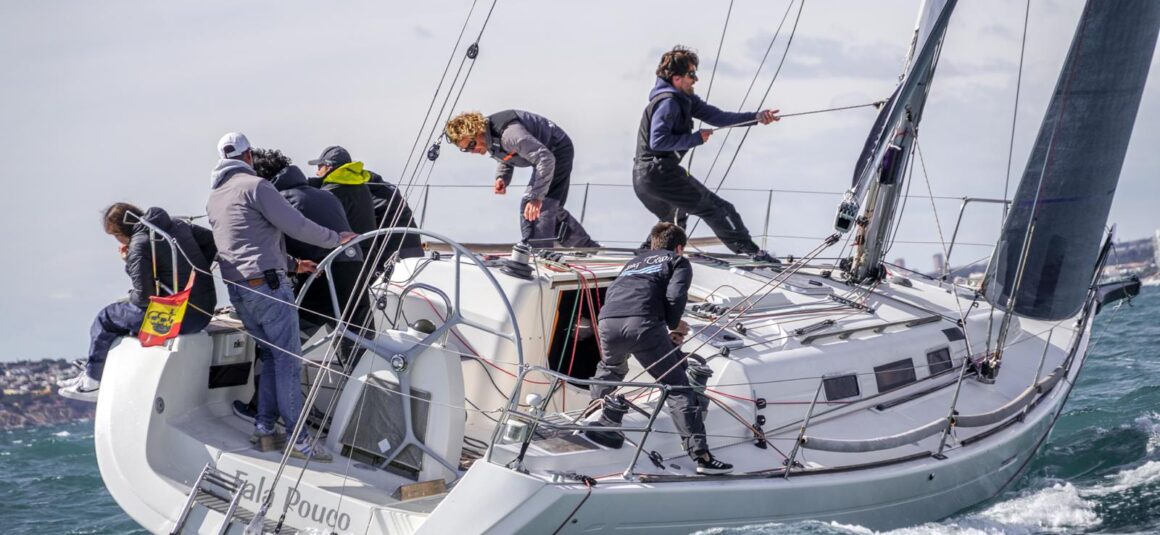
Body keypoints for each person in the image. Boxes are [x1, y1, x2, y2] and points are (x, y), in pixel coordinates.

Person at [207, 132, 356, 463]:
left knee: (272, 357)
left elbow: (245, 243)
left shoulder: (215, 197)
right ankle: (298, 438)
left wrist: (292, 263)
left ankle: (263, 427)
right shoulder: (257, 186)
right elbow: (296, 226)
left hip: (240, 290)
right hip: (269, 288)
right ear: (249, 157)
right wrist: (336, 239)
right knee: (288, 360)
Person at [588, 222, 732, 475]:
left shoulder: (633, 263)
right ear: (679, 247)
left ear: (653, 244)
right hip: (642, 324)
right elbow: (676, 297)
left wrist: (664, 328)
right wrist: (674, 325)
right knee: (677, 388)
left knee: (610, 368)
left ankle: (591, 422)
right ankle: (703, 457)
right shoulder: (678, 261)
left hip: (607, 322)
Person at [634, 45, 780, 263]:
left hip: (644, 178)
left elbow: (719, 117)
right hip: (658, 173)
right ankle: (752, 253)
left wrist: (756, 117)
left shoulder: (683, 99)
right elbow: (658, 141)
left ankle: (648, 252)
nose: (696, 79)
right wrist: (694, 139)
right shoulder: (668, 103)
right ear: (676, 78)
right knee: (717, 208)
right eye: (691, 74)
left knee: (674, 219)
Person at [60, 203, 217, 402]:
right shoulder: (177, 225)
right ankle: (92, 370)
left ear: (122, 231)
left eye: (115, 235)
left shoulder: (139, 245)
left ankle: (92, 381)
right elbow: (211, 242)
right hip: (203, 313)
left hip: (178, 319)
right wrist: (195, 273)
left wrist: (129, 264)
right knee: (122, 313)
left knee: (106, 317)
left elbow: (143, 298)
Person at [444, 110, 599, 248]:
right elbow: (506, 155)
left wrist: (537, 197)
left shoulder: (511, 135)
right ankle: (586, 248)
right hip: (543, 154)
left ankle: (540, 253)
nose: (472, 151)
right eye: (466, 150)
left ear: (478, 131)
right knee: (549, 207)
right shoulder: (490, 136)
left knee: (537, 205)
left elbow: (545, 159)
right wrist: (502, 177)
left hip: (556, 150)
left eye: (472, 144)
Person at [308, 145, 423, 276]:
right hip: (412, 248)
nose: (317, 173)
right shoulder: (374, 186)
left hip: (390, 252)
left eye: (319, 167)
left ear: (328, 167)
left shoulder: (345, 190)